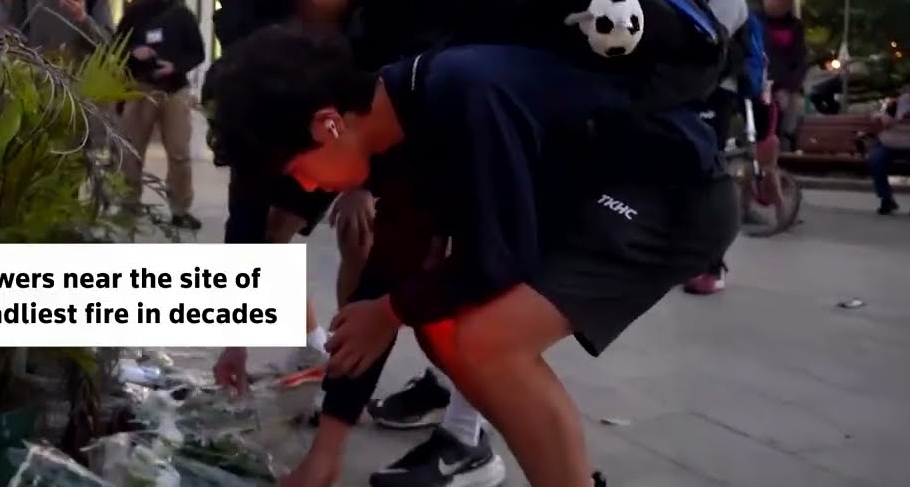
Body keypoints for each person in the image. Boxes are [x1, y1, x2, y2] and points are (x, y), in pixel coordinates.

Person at [211, 24, 739, 487]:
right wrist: (326, 455)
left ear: (328, 124)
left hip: (672, 197)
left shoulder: (462, 94)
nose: (306, 187)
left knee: (487, 339)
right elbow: (384, 281)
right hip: (597, 200)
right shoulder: (397, 126)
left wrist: (389, 310)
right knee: (440, 328)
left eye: (297, 171)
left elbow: (497, 261)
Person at [210, 0, 507, 487]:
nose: (296, 36)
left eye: (298, 20)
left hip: (517, 160)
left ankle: (467, 433)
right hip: (375, 138)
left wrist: (366, 187)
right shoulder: (291, 34)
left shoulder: (421, 1)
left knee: (442, 297)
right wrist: (235, 336)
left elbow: (442, 251)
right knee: (376, 270)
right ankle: (352, 367)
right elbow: (251, 194)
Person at [674, 0, 749, 294]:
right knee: (688, 172)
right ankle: (688, 260)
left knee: (707, 173)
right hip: (695, 91)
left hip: (716, 93)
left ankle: (713, 267)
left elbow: (707, 39)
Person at [113, 0, 206, 230]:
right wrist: (133, 52)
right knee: (132, 151)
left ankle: (180, 209)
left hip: (174, 89)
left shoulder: (182, 15)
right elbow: (116, 47)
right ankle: (128, 204)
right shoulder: (134, 14)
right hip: (140, 88)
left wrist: (175, 66)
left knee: (179, 153)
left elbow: (197, 52)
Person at [761, 0, 808, 151]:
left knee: (789, 119)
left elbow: (800, 60)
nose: (785, 1)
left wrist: (788, 88)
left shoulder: (794, 26)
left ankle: (785, 152)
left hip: (787, 89)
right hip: (760, 85)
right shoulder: (756, 21)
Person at [870, 81, 910, 215]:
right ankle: (886, 198)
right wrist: (893, 115)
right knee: (876, 159)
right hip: (889, 144)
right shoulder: (895, 104)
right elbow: (885, 122)